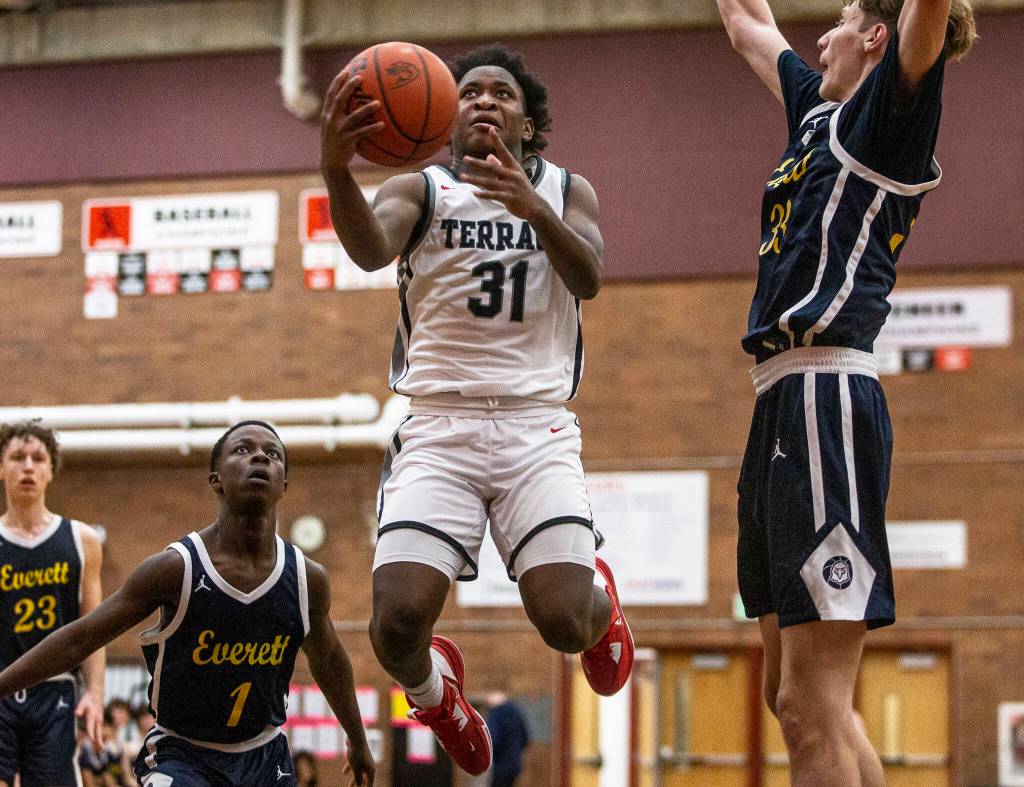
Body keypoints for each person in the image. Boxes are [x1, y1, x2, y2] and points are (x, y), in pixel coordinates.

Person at [320, 43, 634, 776]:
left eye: (502, 93)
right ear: (445, 117)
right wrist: (336, 169)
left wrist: (530, 205)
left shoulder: (566, 189)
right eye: (468, 93)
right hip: (438, 426)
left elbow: (588, 276)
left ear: (529, 124)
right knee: (395, 624)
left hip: (536, 426)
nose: (484, 100)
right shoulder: (419, 191)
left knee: (561, 623)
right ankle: (438, 695)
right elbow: (368, 250)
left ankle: (600, 602)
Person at [716, 0, 976, 783]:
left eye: (839, 19)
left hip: (826, 396)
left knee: (809, 703)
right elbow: (743, 19)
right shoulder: (813, 117)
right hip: (775, 403)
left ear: (874, 35)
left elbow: (924, 13)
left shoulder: (887, 118)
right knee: (787, 694)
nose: (818, 38)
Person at [0, 421, 375, 787]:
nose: (260, 457)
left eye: (273, 453)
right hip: (182, 754)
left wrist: (357, 740)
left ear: (284, 485)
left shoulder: (307, 578)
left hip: (264, 755)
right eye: (243, 449)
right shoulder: (175, 568)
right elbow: (80, 639)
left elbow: (329, 659)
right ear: (216, 479)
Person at [0, 420, 105, 787]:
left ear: (50, 470)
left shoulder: (81, 540)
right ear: (1, 468)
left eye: (37, 458)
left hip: (55, 691)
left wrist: (95, 694)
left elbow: (94, 629)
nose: (27, 465)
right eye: (17, 457)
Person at [485, 691, 529, 787]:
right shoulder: (516, 712)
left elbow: (493, 739)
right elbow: (525, 738)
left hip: (501, 764)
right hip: (515, 763)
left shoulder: (496, 714)